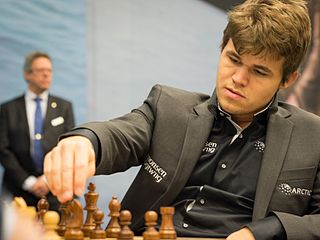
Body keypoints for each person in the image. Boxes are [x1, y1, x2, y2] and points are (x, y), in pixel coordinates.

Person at [44, 0, 320, 239]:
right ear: (222, 48)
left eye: (259, 71)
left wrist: (265, 232)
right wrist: (85, 142)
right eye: (233, 59)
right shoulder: (169, 108)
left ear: (287, 79)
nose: (238, 79)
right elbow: (120, 135)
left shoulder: (312, 136)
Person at [0, 51, 75, 211]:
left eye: (49, 70)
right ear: (27, 74)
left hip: (56, 191)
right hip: (18, 191)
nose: (46, 74)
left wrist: (47, 180)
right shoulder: (8, 109)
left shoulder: (64, 107)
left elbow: (68, 147)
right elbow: (3, 150)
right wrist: (29, 182)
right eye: (41, 70)